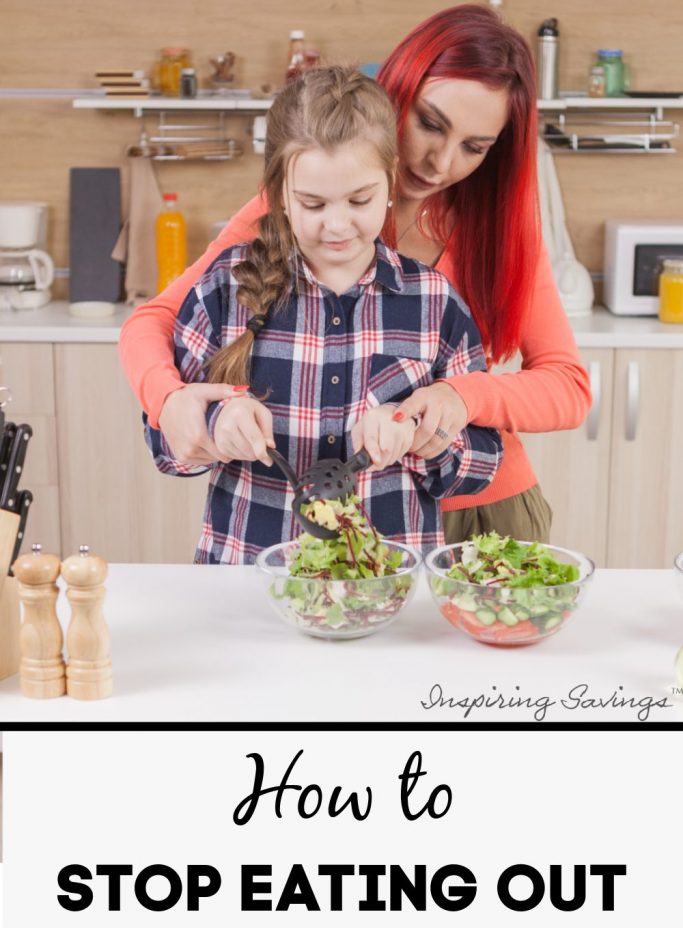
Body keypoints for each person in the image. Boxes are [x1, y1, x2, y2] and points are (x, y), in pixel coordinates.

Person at [120, 4, 591, 545]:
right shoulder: (298, 206)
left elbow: (567, 386)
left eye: (474, 147)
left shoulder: (496, 231)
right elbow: (151, 323)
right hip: (311, 522)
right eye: (430, 124)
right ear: (397, 96)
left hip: (482, 507)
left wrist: (460, 398)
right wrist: (172, 402)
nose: (440, 162)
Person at [144, 66, 502, 564]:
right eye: (313, 203)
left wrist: (423, 435)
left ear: (391, 181)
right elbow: (165, 447)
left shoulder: (433, 302)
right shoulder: (226, 288)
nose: (337, 226)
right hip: (247, 587)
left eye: (360, 199)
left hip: (386, 592)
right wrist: (213, 424)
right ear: (281, 195)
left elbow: (480, 464)